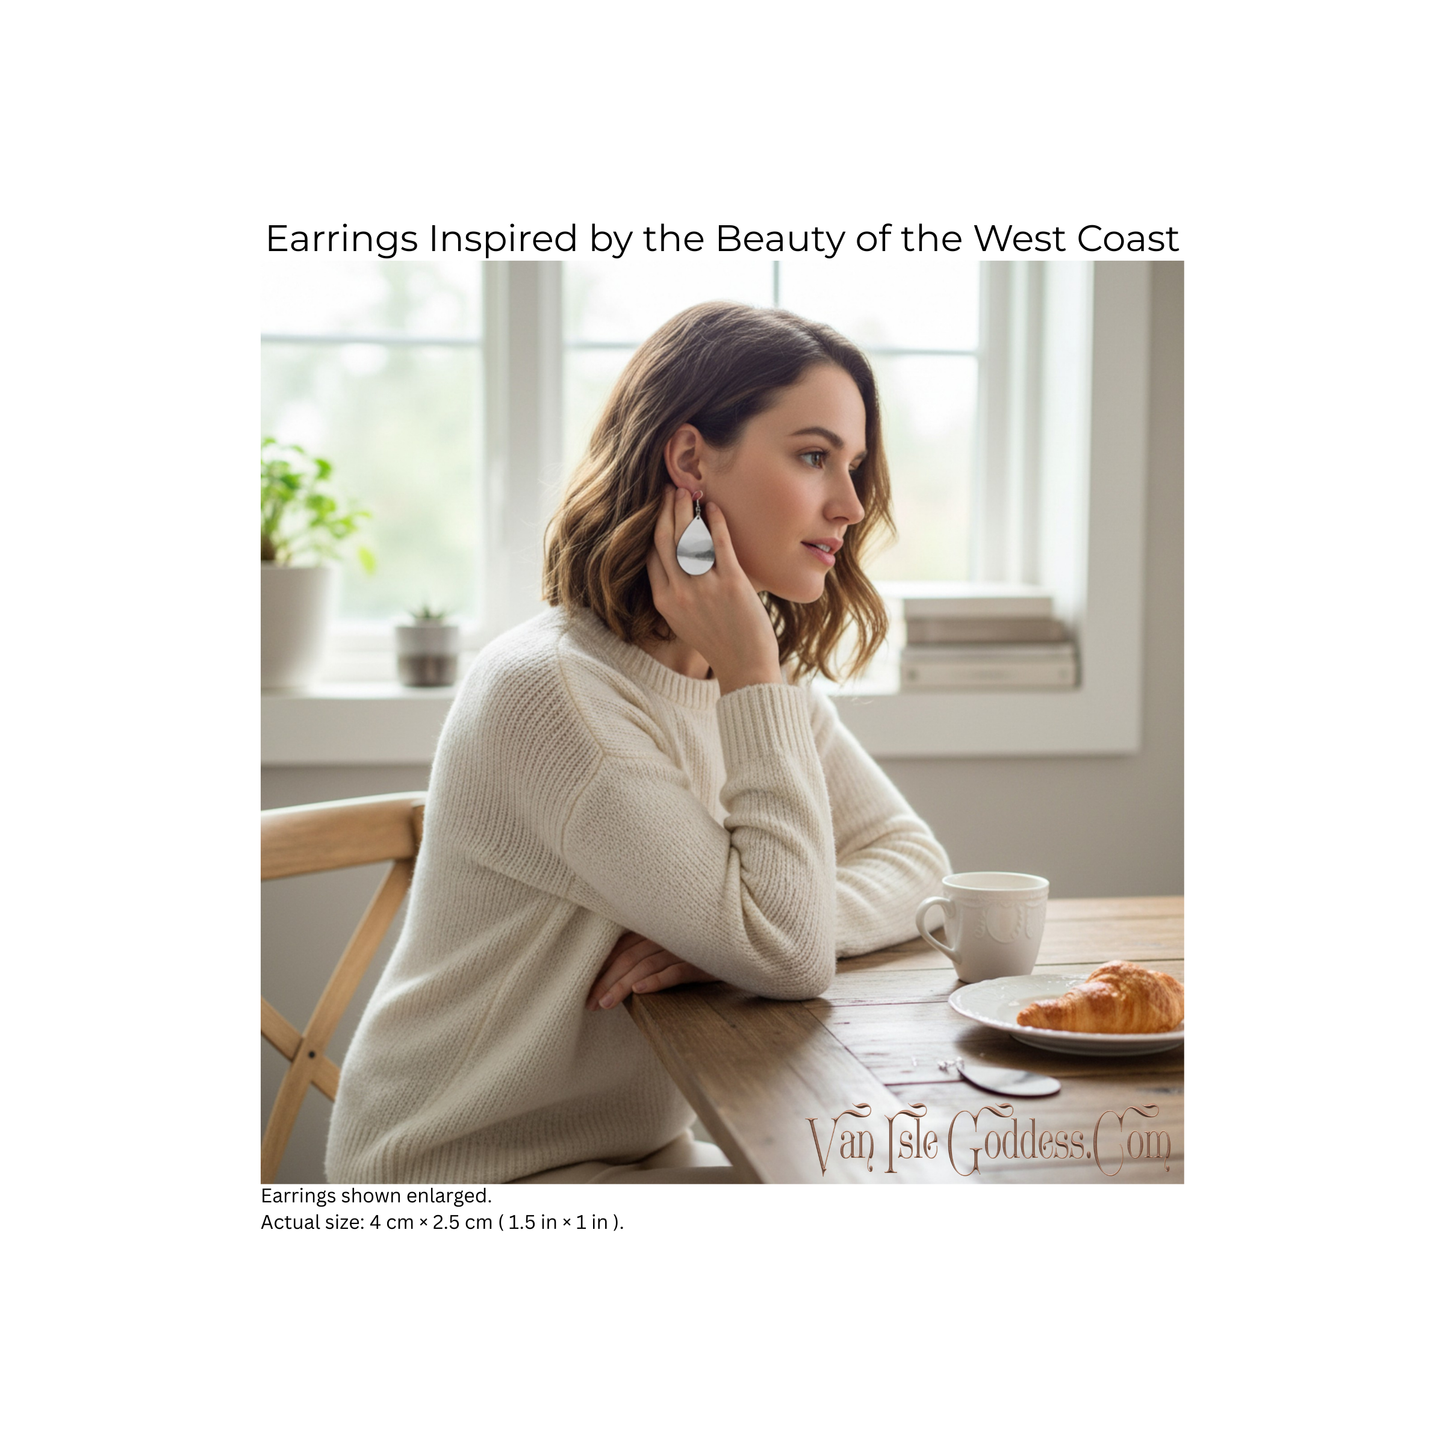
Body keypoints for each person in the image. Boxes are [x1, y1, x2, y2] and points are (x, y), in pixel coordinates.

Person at [326, 301, 952, 1185]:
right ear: (692, 458)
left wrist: (728, 935)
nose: (849, 505)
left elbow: (914, 861)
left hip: (626, 1155)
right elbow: (784, 952)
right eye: (813, 456)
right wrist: (759, 925)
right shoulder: (555, 695)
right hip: (465, 1176)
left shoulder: (752, 683)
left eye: (852, 466)